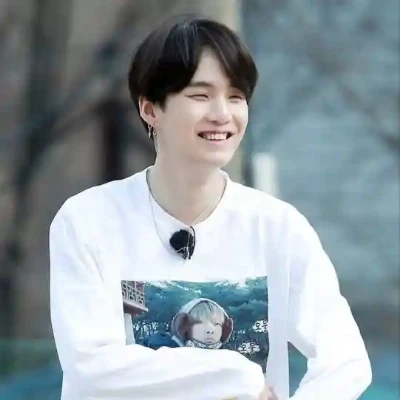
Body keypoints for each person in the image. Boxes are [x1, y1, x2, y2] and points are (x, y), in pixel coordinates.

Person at [49, 14, 372, 400]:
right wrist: (238, 375)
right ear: (150, 109)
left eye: (236, 96)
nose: (222, 114)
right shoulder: (88, 221)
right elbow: (91, 367)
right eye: (200, 95)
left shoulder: (278, 227)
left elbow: (346, 360)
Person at [142, 298, 234, 350]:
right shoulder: (164, 352)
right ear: (184, 326)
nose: (210, 330)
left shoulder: (228, 359)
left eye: (216, 324)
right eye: (200, 323)